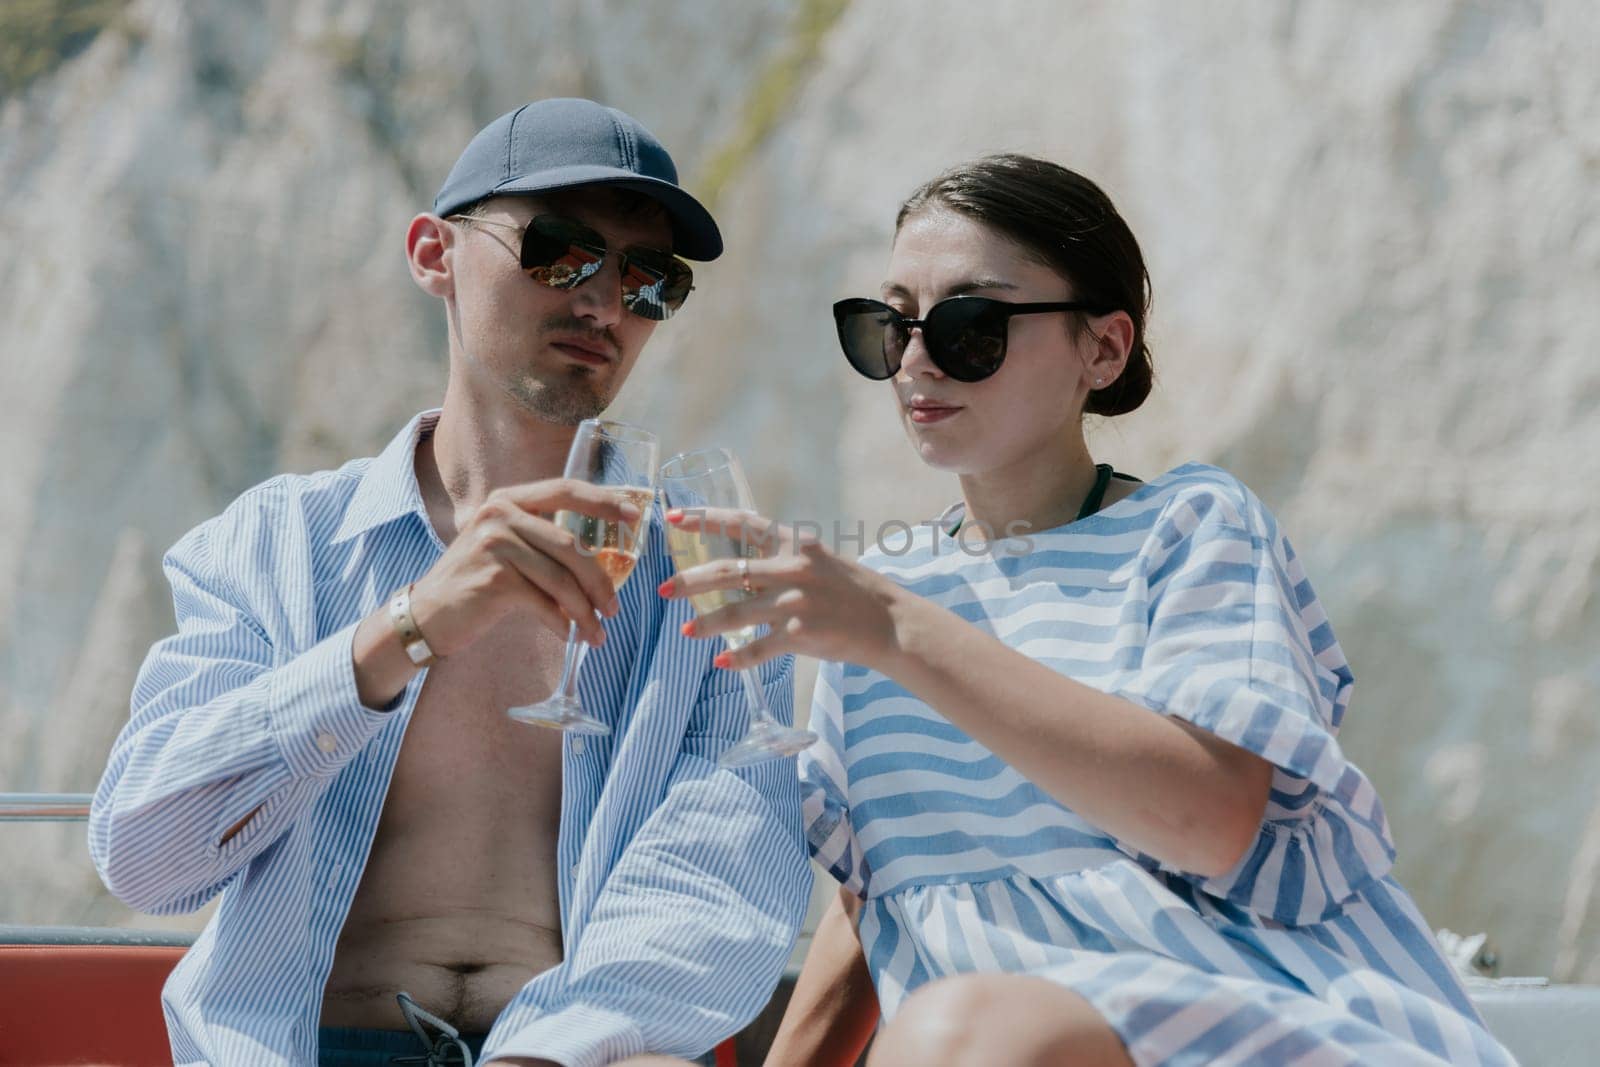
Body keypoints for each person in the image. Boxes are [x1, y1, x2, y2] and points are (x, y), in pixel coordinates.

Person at [662, 154, 1516, 1065]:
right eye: (893, 322)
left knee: (961, 1031)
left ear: (1102, 349)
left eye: (969, 324)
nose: (915, 360)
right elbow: (876, 904)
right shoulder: (876, 591)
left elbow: (1211, 818)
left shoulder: (1188, 527)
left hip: (1244, 1020)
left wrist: (899, 630)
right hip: (978, 1043)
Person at [88, 98, 811, 1067]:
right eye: (561, 249)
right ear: (434, 254)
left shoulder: (701, 559)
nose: (603, 302)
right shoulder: (278, 543)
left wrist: (550, 1049)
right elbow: (146, 857)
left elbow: (719, 874)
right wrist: (402, 631)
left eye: (648, 280)